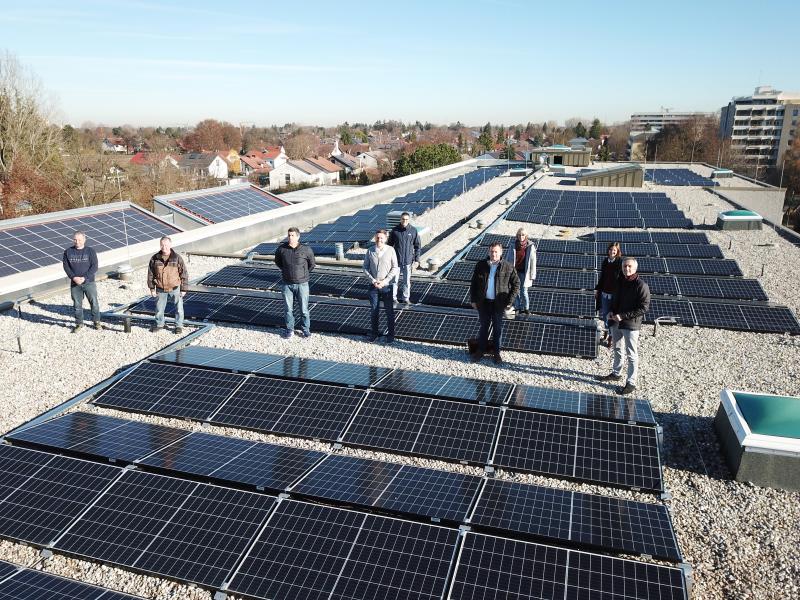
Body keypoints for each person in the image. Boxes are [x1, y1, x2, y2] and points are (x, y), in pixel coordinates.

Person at [595, 257, 650, 395]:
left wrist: (623, 316)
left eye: (630, 266)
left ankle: (631, 382)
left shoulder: (641, 285)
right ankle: (616, 373)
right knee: (617, 348)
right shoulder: (619, 282)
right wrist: (611, 312)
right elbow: (614, 300)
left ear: (635, 268)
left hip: (630, 324)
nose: (627, 269)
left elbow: (644, 308)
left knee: (631, 354)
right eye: (625, 266)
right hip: (616, 321)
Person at [470, 242, 520, 364]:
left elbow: (516, 284)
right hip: (484, 303)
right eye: (492, 251)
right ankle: (480, 351)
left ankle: (496, 353)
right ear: (488, 252)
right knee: (484, 328)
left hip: (499, 304)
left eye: (496, 251)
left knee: (497, 329)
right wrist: (473, 300)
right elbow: (474, 284)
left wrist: (509, 301)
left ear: (501, 252)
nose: (494, 254)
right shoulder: (481, 265)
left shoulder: (508, 267)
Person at [274, 227, 316, 339]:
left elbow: (312, 264)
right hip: (287, 284)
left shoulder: (306, 249)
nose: (290, 237)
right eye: (289, 235)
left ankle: (306, 329)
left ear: (298, 236)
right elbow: (278, 262)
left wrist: (303, 274)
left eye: (292, 235)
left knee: (304, 309)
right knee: (288, 309)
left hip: (302, 284)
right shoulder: (281, 249)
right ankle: (290, 330)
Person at [362, 229, 399, 343]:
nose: (379, 240)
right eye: (377, 237)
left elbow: (395, 268)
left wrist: (385, 281)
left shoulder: (391, 250)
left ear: (385, 239)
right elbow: (365, 268)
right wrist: (373, 280)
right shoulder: (370, 251)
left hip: (386, 286)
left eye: (381, 238)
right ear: (375, 238)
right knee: (374, 310)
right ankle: (374, 333)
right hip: (373, 286)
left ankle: (391, 335)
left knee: (389, 311)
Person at [147, 236, 188, 334]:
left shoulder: (177, 258)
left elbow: (184, 274)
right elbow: (150, 274)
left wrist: (184, 289)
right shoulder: (154, 258)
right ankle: (160, 324)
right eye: (162, 245)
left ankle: (178, 326)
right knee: (159, 309)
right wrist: (152, 288)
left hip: (175, 288)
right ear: (160, 245)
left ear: (170, 245)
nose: (164, 247)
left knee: (179, 309)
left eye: (166, 245)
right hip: (160, 288)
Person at [62, 231, 101, 332]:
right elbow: (66, 268)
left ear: (84, 240)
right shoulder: (68, 252)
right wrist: (74, 277)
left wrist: (84, 278)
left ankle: (96, 322)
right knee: (77, 305)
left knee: (94, 303)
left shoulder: (90, 251)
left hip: (89, 282)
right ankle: (79, 323)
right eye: (75, 239)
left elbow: (94, 267)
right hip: (75, 284)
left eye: (79, 239)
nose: (77, 242)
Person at [387, 212, 421, 305]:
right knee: (394, 281)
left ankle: (405, 298)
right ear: (400, 219)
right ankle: (393, 298)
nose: (404, 221)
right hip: (396, 261)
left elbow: (417, 246)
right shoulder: (395, 231)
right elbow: (389, 246)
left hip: (408, 261)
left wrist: (417, 260)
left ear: (408, 220)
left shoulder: (413, 231)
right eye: (403, 219)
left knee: (406, 281)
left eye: (406, 219)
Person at [595, 242, 623, 343]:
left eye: (614, 250)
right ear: (608, 250)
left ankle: (611, 337)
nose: (612, 251)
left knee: (612, 315)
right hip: (604, 293)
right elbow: (602, 277)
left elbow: (621, 279)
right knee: (605, 314)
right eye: (611, 250)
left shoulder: (620, 262)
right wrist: (597, 289)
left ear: (617, 251)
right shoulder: (605, 262)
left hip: (614, 294)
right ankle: (607, 333)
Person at [504, 228, 536, 314]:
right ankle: (517, 306)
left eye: (523, 235)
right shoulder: (513, 245)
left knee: (524, 291)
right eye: (519, 235)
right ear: (517, 235)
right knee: (515, 290)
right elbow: (508, 258)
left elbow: (533, 262)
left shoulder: (530, 246)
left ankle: (526, 308)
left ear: (526, 236)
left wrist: (532, 275)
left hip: (525, 273)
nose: (521, 237)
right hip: (514, 272)